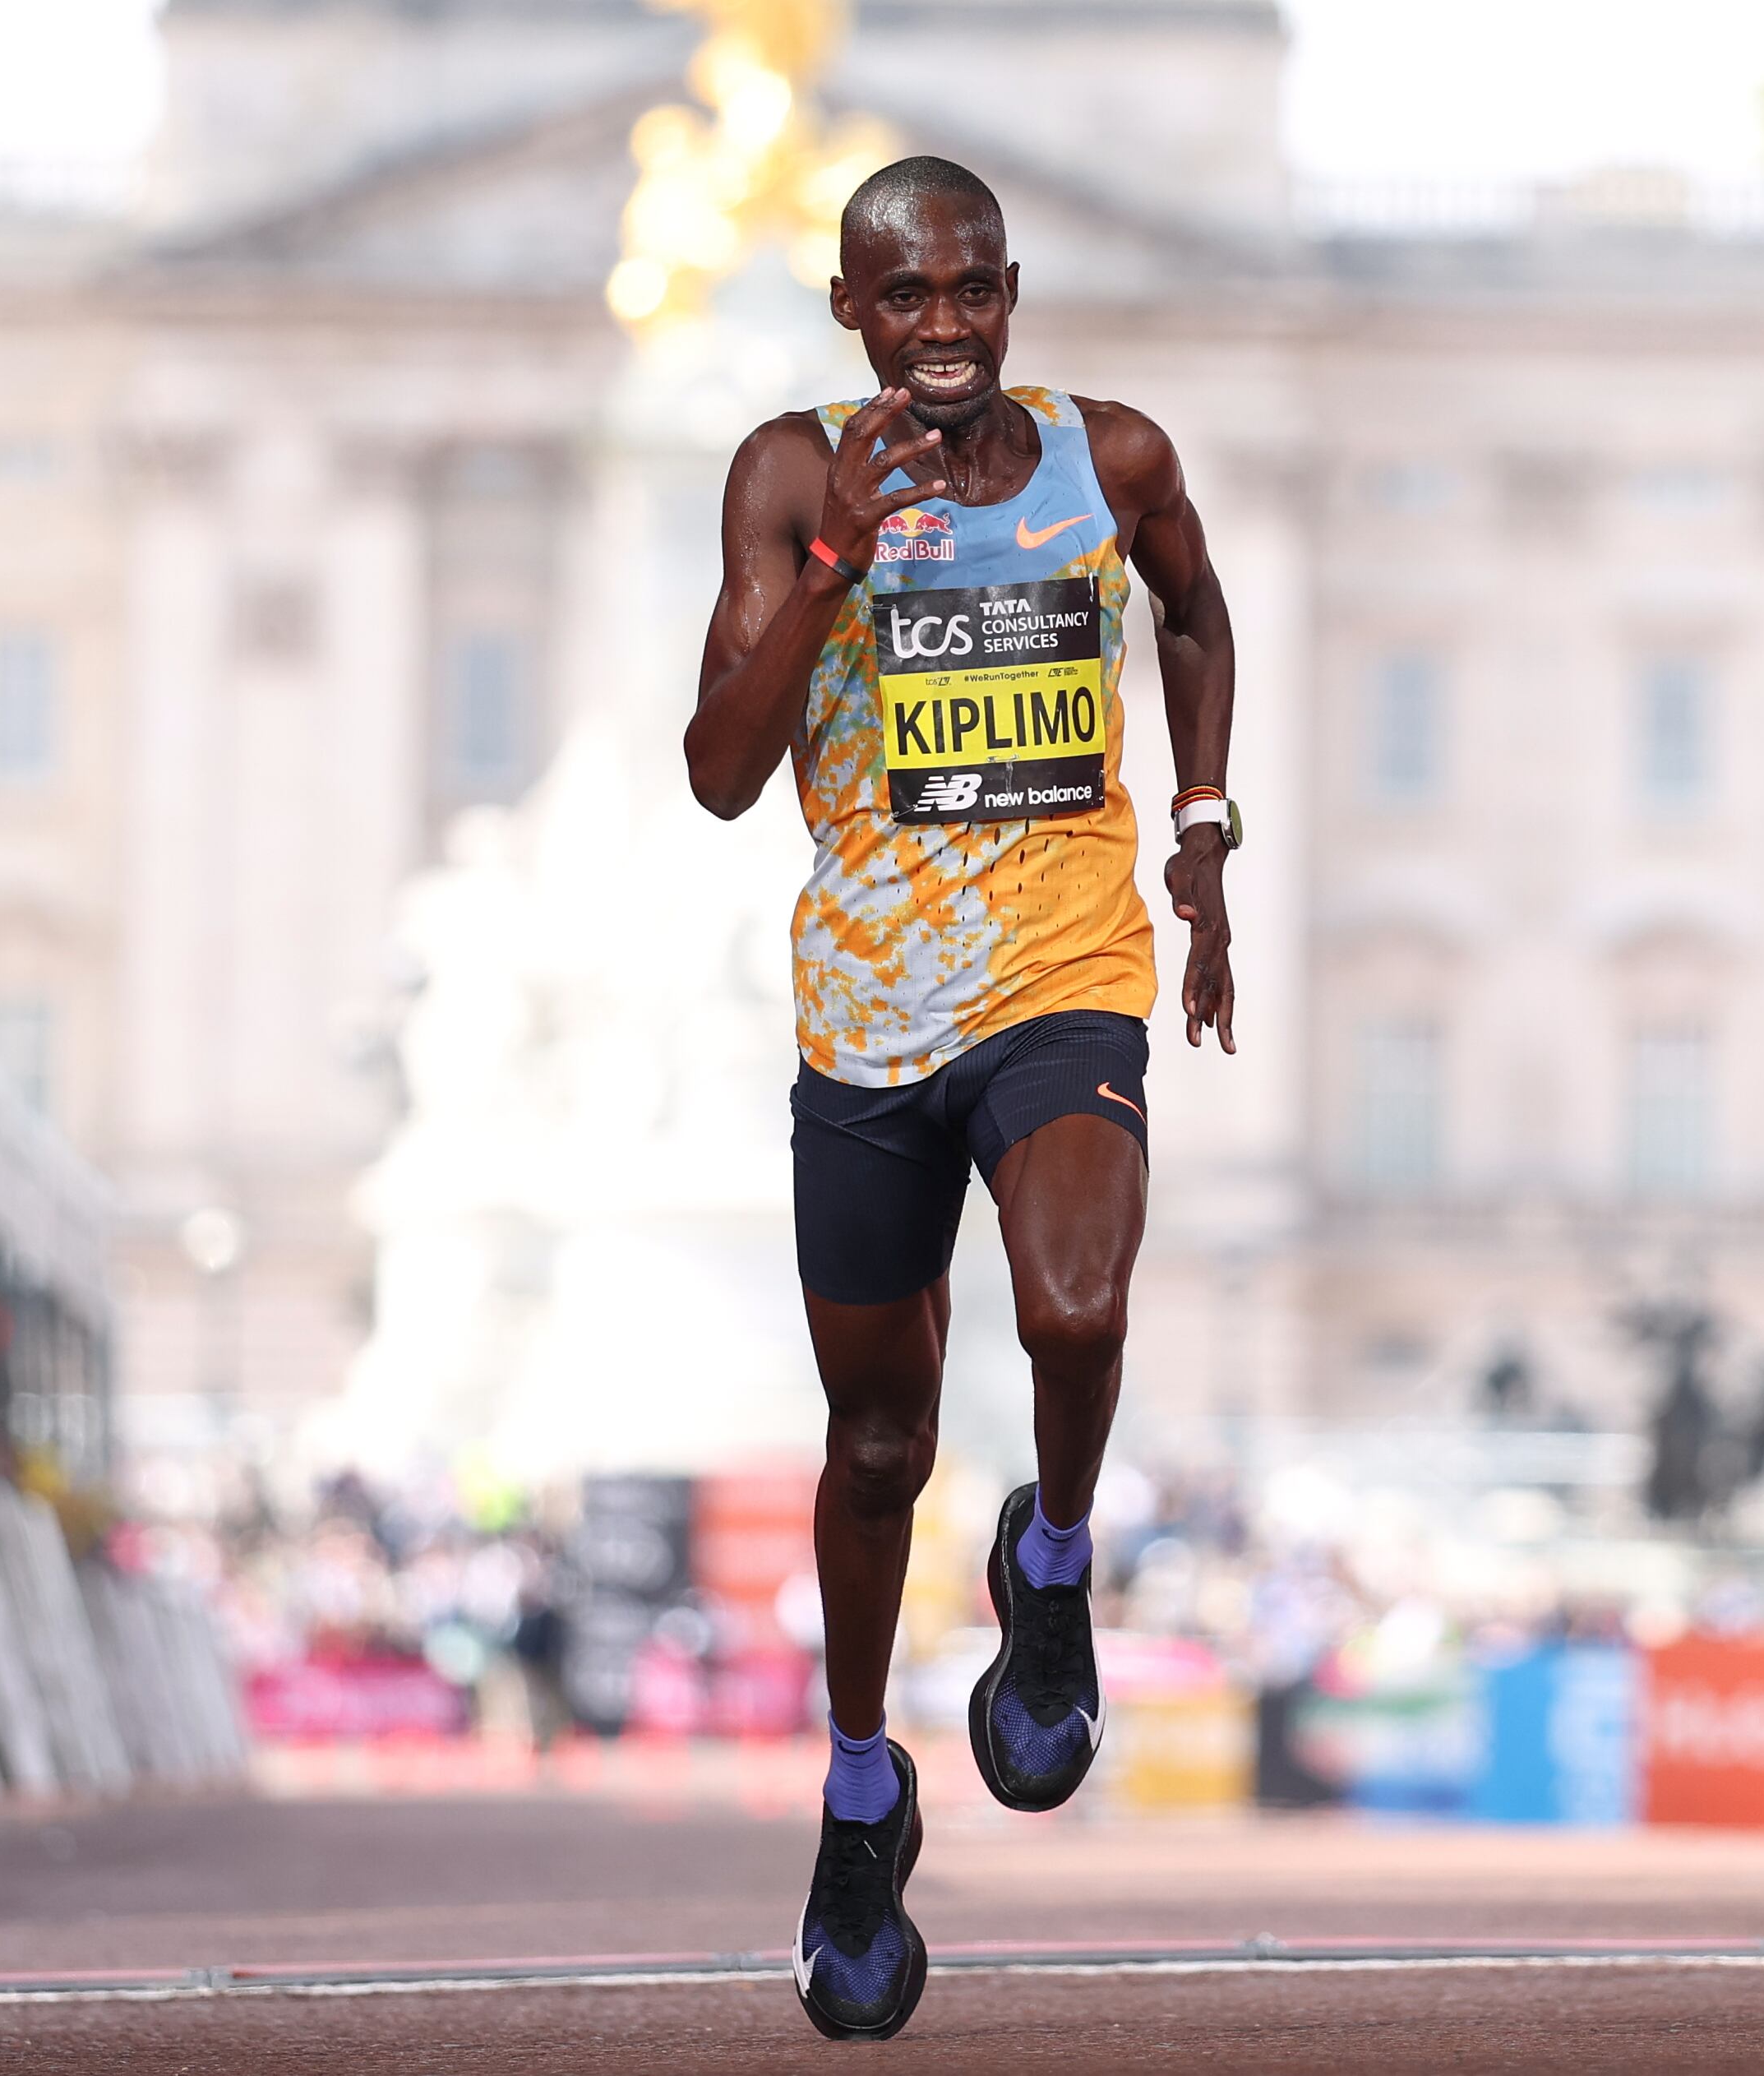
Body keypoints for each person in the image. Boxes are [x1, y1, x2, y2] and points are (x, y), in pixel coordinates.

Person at [685, 154, 1240, 2041]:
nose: (941, 332)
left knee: (1078, 1303)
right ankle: (860, 1792)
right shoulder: (782, 471)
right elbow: (717, 773)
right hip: (865, 1013)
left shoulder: (1117, 458)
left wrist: (1203, 841)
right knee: (871, 1452)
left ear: (1011, 294)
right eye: (901, 301)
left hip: (1063, 975)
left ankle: (1056, 1558)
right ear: (851, 313)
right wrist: (833, 562)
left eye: (971, 295)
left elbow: (1194, 617)